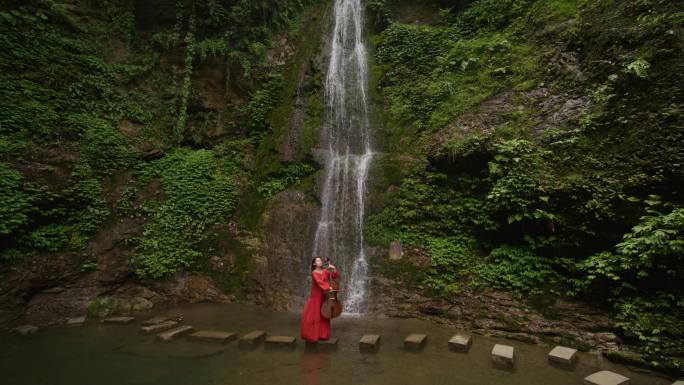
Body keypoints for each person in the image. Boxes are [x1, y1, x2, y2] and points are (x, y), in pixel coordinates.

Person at [300, 257, 339, 342]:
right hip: (315, 297)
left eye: (320, 260)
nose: (320, 261)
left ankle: (322, 335)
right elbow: (319, 282)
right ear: (314, 264)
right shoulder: (314, 273)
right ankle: (313, 336)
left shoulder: (324, 271)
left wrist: (334, 269)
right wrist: (328, 287)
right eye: (318, 260)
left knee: (323, 315)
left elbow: (334, 276)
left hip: (324, 297)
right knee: (315, 316)